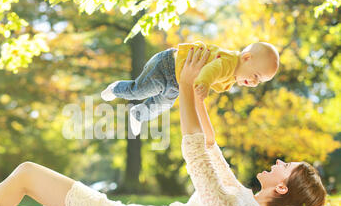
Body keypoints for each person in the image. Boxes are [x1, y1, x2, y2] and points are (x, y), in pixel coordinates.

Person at [0, 48, 325, 206]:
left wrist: (190, 87)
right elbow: (210, 149)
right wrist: (197, 95)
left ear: (282, 189)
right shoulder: (244, 203)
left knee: (25, 172)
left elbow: (195, 154)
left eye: (287, 167)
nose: (280, 161)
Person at [101, 41, 279, 136]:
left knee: (162, 104)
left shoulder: (232, 77)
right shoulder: (229, 63)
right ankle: (116, 88)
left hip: (177, 82)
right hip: (167, 65)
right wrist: (204, 84)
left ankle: (138, 114)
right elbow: (210, 70)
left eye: (259, 81)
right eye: (255, 76)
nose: (255, 82)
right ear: (247, 58)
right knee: (140, 90)